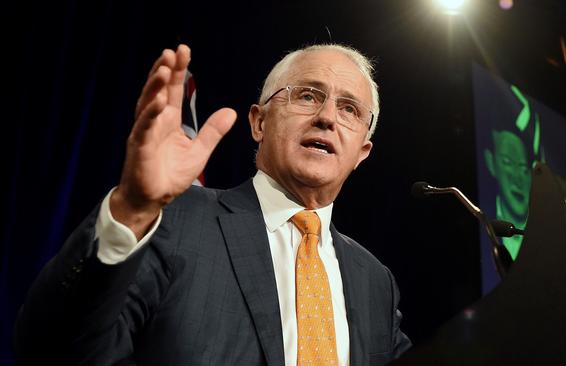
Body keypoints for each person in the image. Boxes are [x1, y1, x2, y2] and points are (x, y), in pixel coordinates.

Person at [14, 43, 411, 365]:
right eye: (307, 95)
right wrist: (133, 209)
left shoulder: (374, 280)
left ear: (363, 151)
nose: (327, 117)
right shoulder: (176, 219)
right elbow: (57, 348)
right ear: (259, 122)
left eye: (349, 109)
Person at [483, 85, 544, 260]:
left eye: (524, 168)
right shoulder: (484, 223)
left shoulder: (546, 235)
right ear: (490, 162)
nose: (517, 179)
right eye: (507, 163)